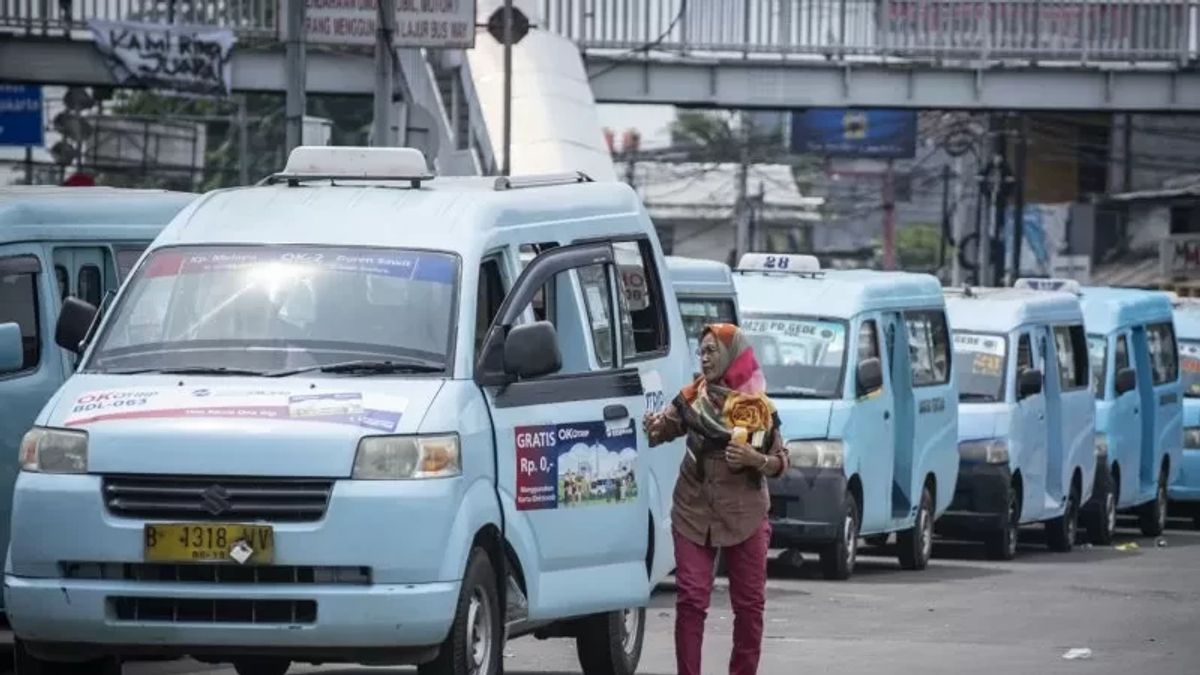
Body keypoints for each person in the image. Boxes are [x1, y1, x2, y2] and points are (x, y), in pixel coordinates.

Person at [644, 323, 788, 675]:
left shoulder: (759, 407)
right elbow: (662, 431)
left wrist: (757, 460)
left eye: (712, 351)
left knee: (750, 606)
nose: (704, 359)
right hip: (693, 511)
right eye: (701, 352)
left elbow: (781, 462)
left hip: (746, 515)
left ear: (731, 354)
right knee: (691, 601)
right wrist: (653, 427)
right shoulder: (693, 398)